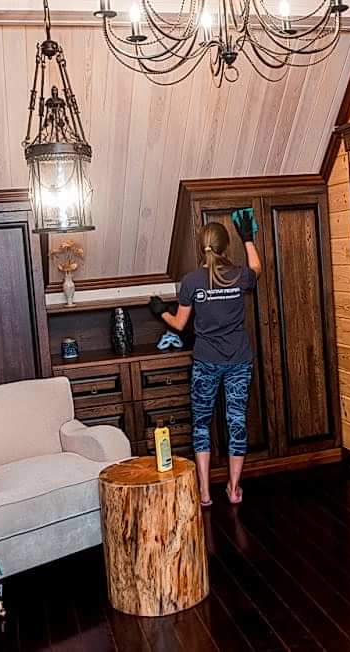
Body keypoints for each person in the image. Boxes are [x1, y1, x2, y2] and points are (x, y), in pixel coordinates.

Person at [149, 213, 261, 506]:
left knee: (201, 423)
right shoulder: (239, 275)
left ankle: (205, 492)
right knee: (236, 421)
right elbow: (257, 268)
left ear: (202, 247)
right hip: (239, 360)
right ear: (225, 246)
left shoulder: (191, 281)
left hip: (206, 361)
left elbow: (178, 324)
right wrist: (247, 238)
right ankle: (234, 489)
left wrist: (161, 310)